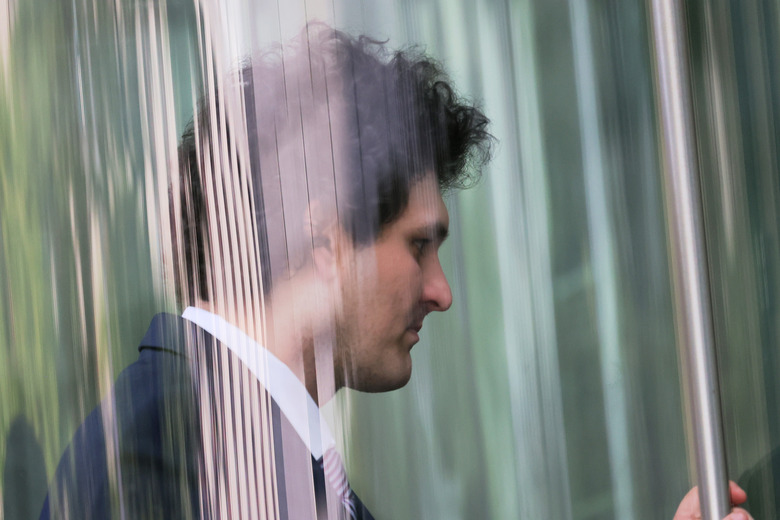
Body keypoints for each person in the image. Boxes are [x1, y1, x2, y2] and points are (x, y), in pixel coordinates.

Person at [40, 23, 492, 519]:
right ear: (325, 239)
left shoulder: (221, 444)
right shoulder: (158, 448)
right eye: (419, 244)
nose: (441, 292)